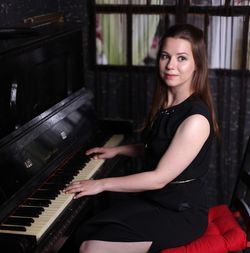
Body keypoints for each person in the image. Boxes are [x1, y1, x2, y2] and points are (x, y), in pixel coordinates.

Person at [63, 23, 219, 253]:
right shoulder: (167, 103)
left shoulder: (195, 119)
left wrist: (101, 184)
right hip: (156, 201)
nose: (171, 65)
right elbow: (156, 148)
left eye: (182, 58)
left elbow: (159, 178)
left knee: (91, 248)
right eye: (165, 56)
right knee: (83, 232)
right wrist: (118, 150)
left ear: (197, 64)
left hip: (180, 213)